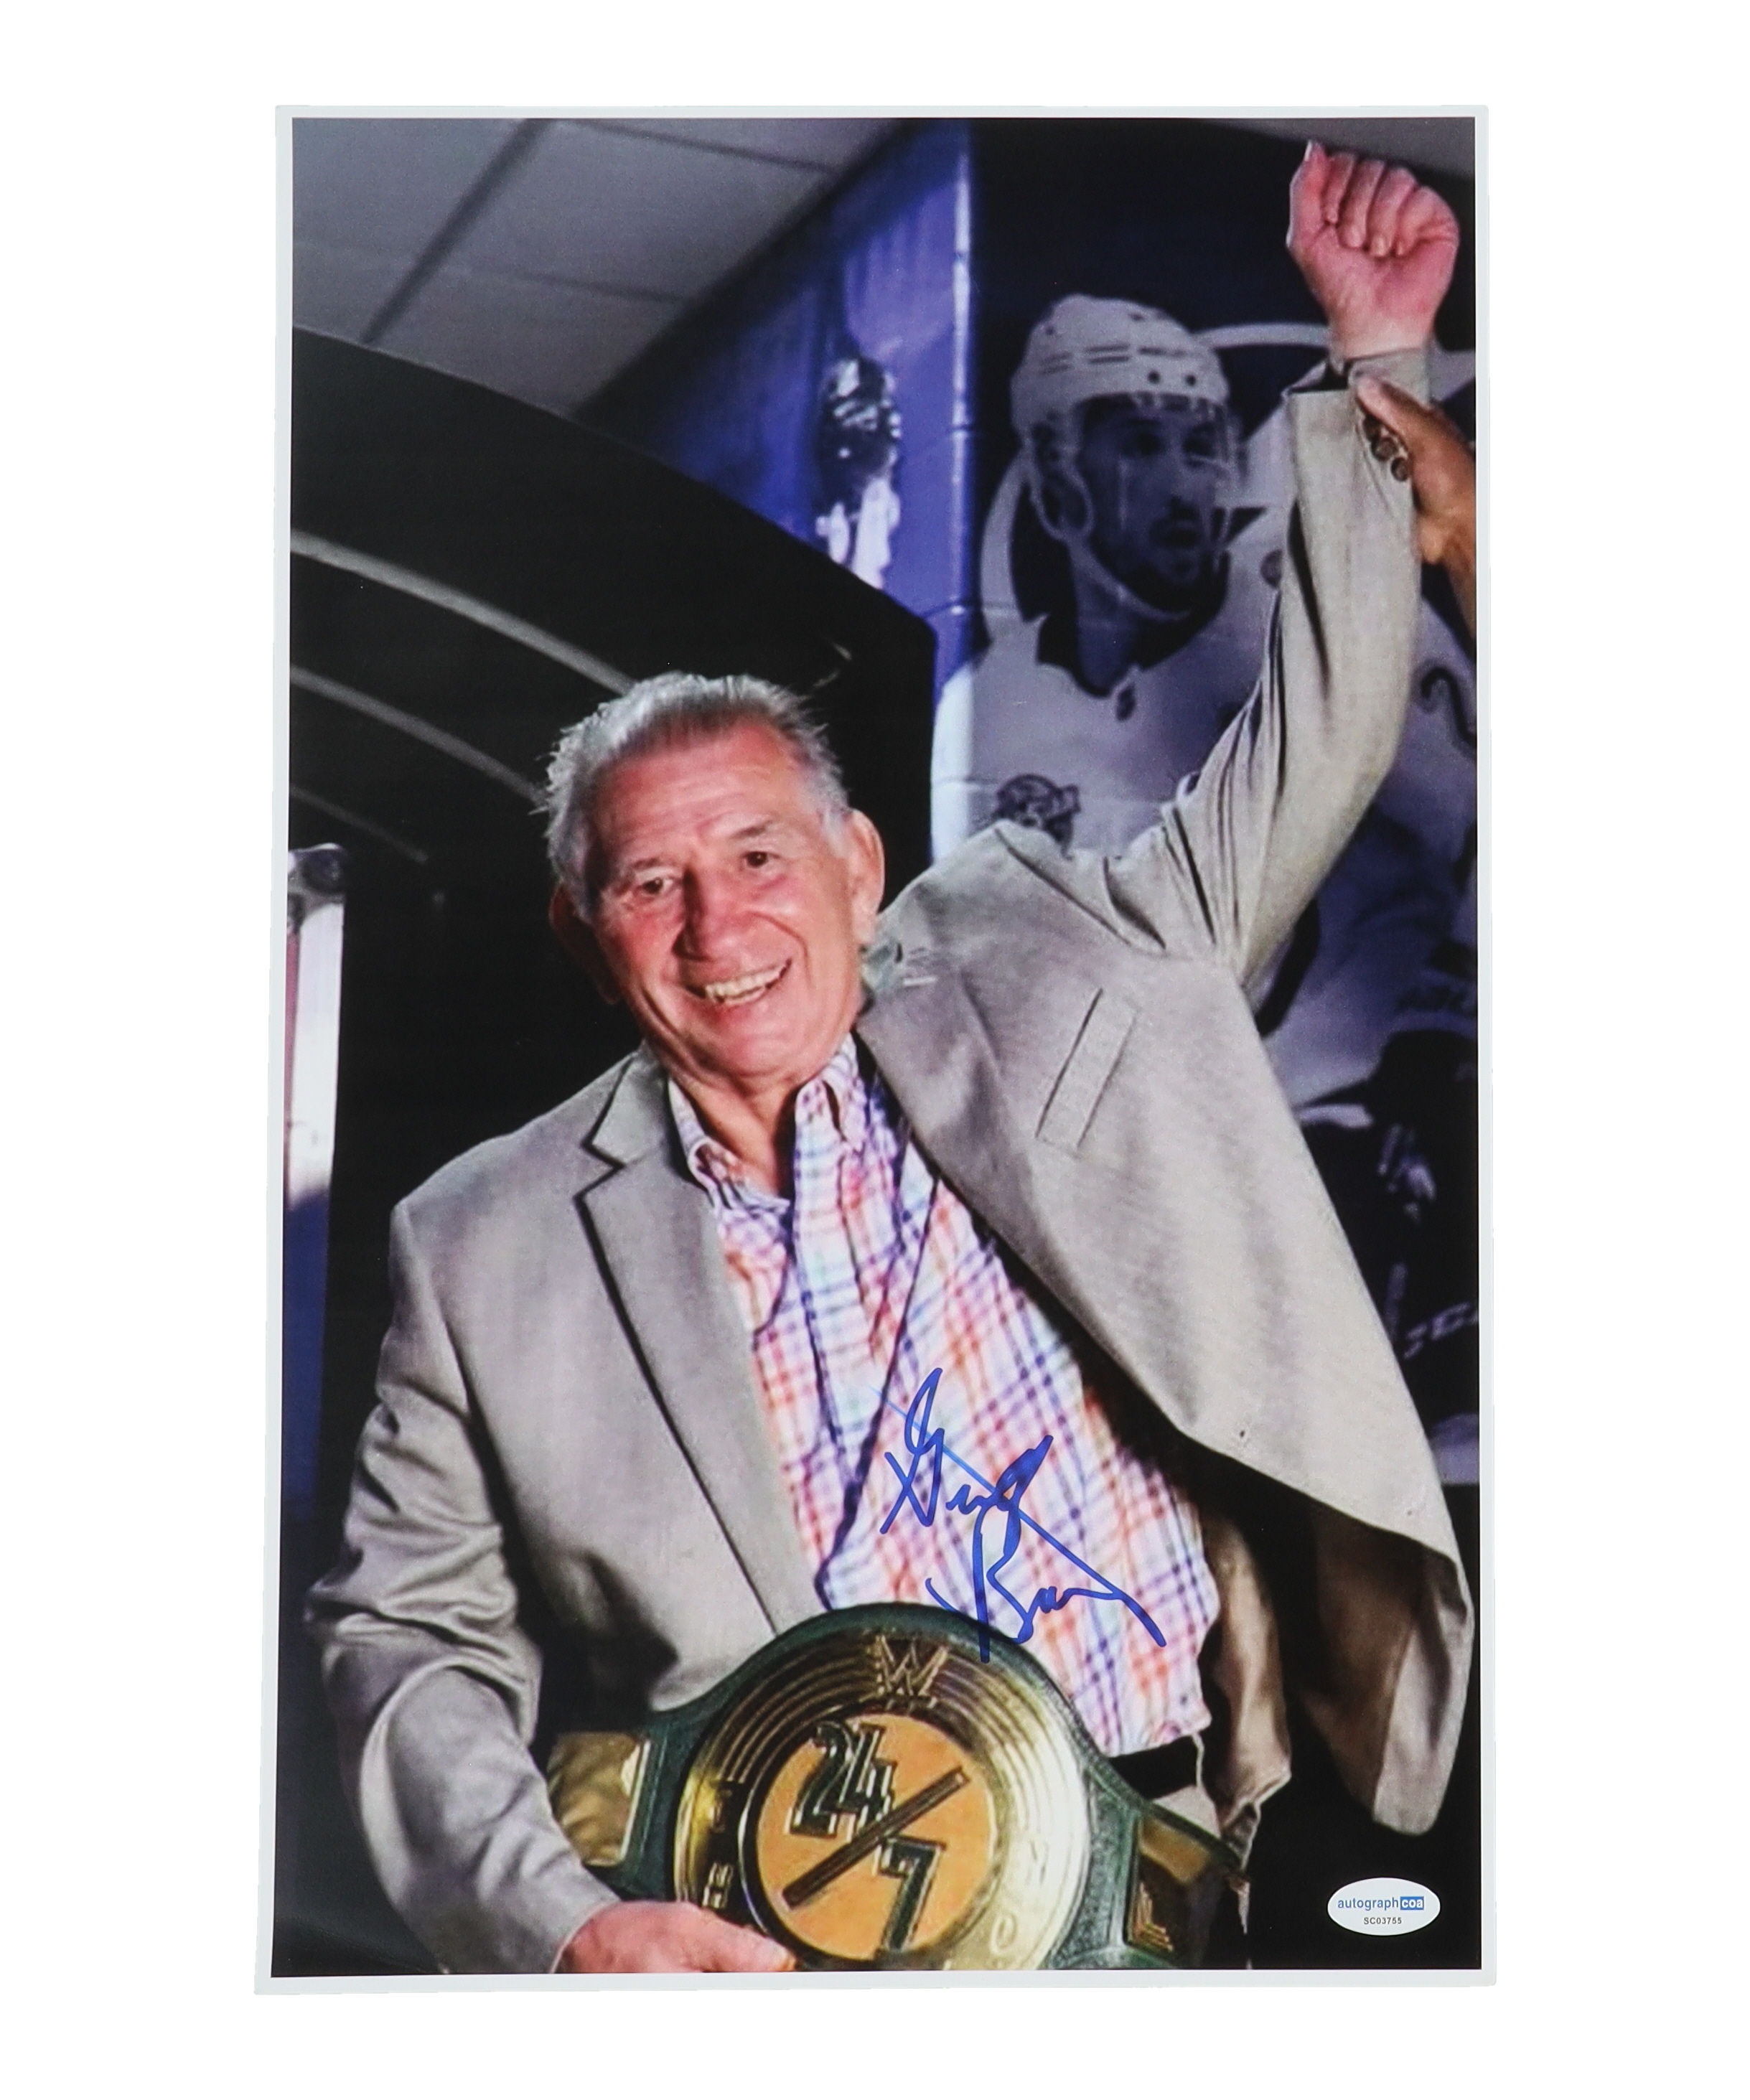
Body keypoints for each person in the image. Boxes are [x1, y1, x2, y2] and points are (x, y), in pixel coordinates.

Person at [308, 144, 1473, 1975]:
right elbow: (408, 1636)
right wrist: (560, 1922)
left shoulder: (1065, 957)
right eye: (650, 883)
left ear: (857, 867)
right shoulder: (478, 1241)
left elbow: (1311, 743)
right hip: (769, 1937)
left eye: (761, 855)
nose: (720, 923)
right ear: (585, 934)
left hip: (1163, 1878)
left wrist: (1375, 360)